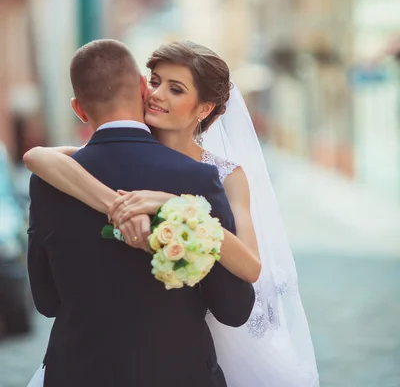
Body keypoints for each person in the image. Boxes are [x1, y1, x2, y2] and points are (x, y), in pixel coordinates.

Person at [26, 40, 319, 387]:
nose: (156, 95)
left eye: (175, 89)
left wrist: (175, 208)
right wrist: (115, 205)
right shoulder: (193, 178)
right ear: (139, 85)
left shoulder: (220, 175)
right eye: (154, 81)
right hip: (180, 367)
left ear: (203, 108)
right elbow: (38, 156)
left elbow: (250, 269)